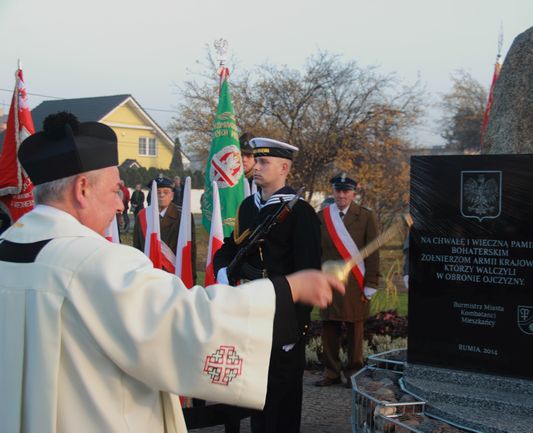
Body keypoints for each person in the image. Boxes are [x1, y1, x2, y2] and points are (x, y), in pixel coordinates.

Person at [0, 112, 344, 433]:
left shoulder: (7, 251)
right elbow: (190, 322)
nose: (122, 204)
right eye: (115, 190)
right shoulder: (96, 264)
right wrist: (288, 291)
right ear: (82, 190)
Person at [212, 137, 321, 433]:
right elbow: (229, 248)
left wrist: (295, 330)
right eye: (255, 161)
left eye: (264, 162)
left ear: (284, 167)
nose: (255, 167)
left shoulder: (300, 213)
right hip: (249, 313)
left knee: (281, 399)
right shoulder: (249, 206)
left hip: (282, 317)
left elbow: (308, 274)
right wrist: (223, 272)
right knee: (255, 395)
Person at [316, 173, 380, 388]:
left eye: (346, 191)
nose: (342, 194)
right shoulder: (322, 216)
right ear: (332, 191)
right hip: (329, 280)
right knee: (329, 328)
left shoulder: (365, 216)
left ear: (354, 192)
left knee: (355, 329)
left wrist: (371, 283)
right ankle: (331, 371)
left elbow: (373, 253)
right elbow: (316, 251)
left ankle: (353, 372)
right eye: (338, 190)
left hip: (355, 282)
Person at [133, 175, 197, 281]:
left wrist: (192, 278)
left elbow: (191, 250)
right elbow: (137, 249)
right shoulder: (142, 216)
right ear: (152, 195)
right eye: (158, 192)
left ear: (172, 195)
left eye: (166, 192)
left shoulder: (183, 216)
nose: (161, 195)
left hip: (174, 276)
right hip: (149, 276)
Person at [240, 132, 256, 196]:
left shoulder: (262, 184)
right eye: (241, 154)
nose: (244, 159)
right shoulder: (230, 182)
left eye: (249, 155)